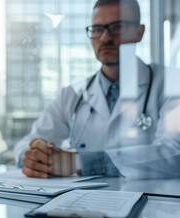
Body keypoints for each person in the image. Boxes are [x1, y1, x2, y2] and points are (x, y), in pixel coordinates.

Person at [14, 0, 180, 179]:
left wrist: (78, 163)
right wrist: (35, 157)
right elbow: (25, 144)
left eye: (117, 27)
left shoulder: (171, 82)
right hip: (85, 205)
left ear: (139, 33)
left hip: (152, 203)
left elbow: (173, 153)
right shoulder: (72, 95)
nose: (105, 38)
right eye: (97, 29)